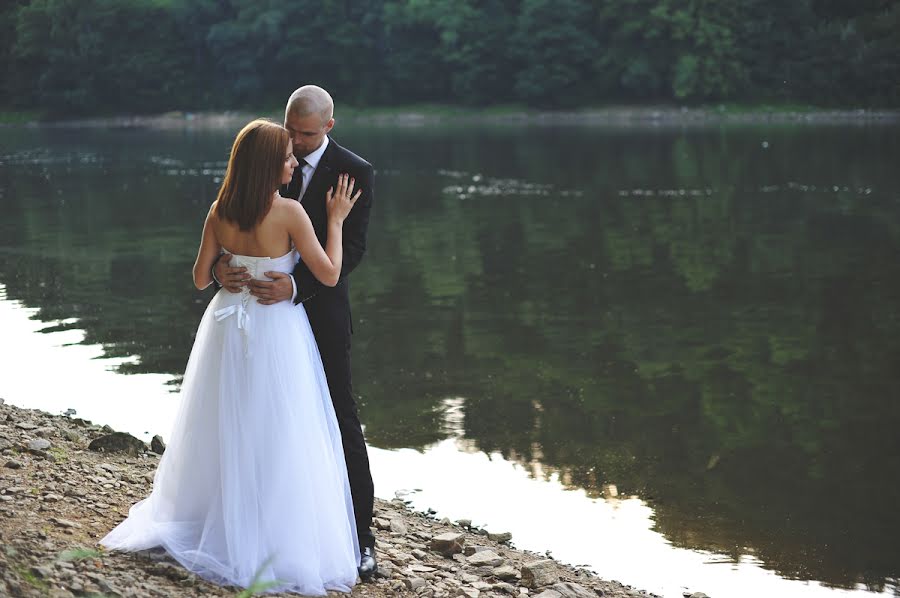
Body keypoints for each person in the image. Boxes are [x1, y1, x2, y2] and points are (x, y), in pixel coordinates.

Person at [100, 119, 363, 595]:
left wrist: (225, 266)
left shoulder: (220, 210)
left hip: (225, 325)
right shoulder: (290, 214)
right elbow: (328, 274)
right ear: (269, 165)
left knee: (225, 421)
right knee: (278, 425)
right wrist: (338, 221)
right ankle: (268, 529)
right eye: (285, 157)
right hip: (274, 327)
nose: (292, 163)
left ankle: (218, 519)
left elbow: (201, 279)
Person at [213, 85, 378, 578]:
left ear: (328, 126)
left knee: (339, 416)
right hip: (259, 317)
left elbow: (354, 252)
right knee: (261, 415)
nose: (297, 143)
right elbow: (233, 223)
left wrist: (294, 287)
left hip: (318, 312)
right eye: (291, 131)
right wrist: (224, 266)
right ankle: (266, 525)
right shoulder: (269, 154)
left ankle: (361, 538)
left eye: (305, 134)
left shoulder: (357, 172)